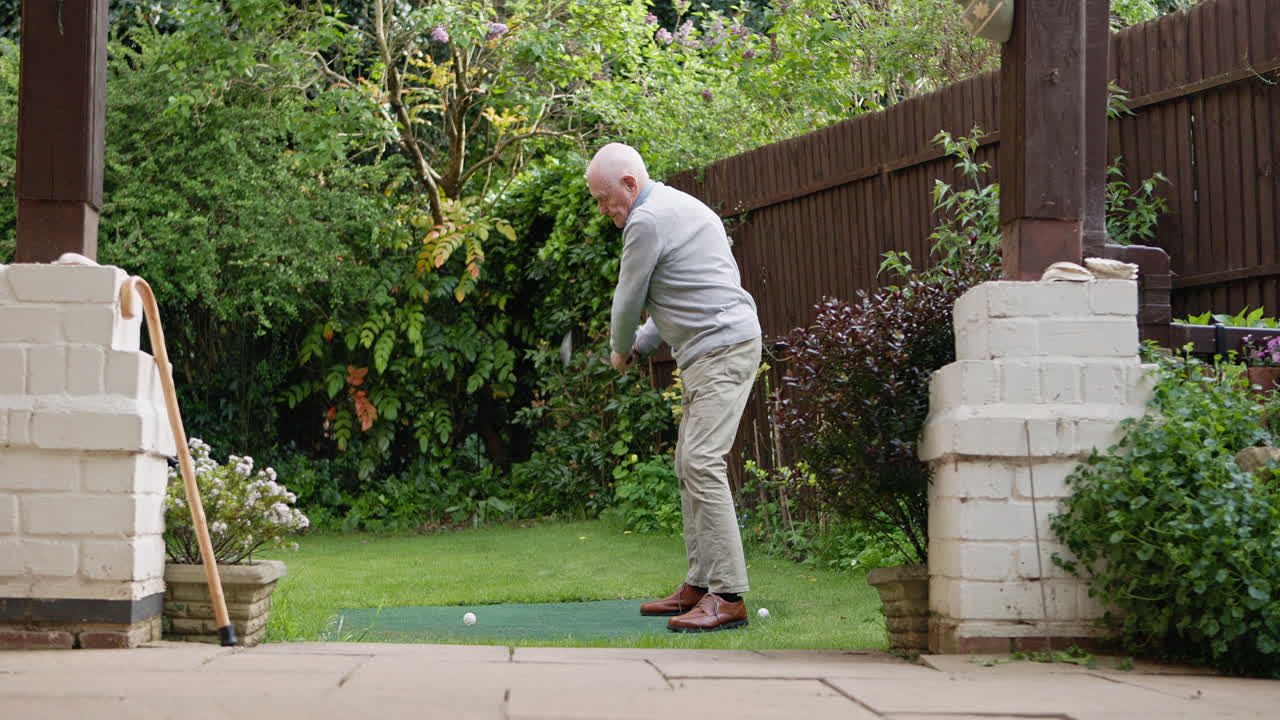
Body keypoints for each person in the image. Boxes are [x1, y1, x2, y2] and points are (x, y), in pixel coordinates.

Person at [586, 143, 762, 632]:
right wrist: (642, 343)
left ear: (629, 185)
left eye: (604, 198)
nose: (603, 210)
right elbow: (681, 294)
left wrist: (620, 346)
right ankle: (700, 585)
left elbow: (628, 300)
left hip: (720, 351)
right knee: (690, 464)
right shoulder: (680, 207)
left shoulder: (647, 221)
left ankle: (727, 596)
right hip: (716, 348)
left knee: (702, 463)